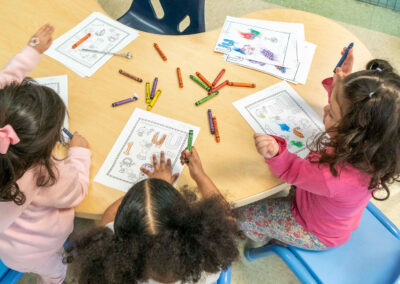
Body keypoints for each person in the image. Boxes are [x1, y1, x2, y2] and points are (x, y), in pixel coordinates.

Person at [236, 48, 400, 250]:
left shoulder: (332, 176)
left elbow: (290, 170)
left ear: (354, 134)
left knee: (240, 216)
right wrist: (341, 85)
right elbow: (348, 111)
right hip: (328, 211)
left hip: (311, 229)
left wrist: (275, 152)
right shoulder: (377, 146)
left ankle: (264, 235)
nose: (325, 109)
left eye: (331, 113)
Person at [64, 150, 241, 284]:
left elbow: (107, 217)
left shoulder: (115, 269)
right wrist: (199, 175)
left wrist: (151, 185)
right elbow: (227, 221)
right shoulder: (205, 261)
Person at [0, 24, 91, 283]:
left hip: (5, 244)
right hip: (36, 250)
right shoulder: (44, 175)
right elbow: (77, 192)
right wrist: (79, 154)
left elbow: (6, 84)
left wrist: (32, 51)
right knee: (55, 272)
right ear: (48, 144)